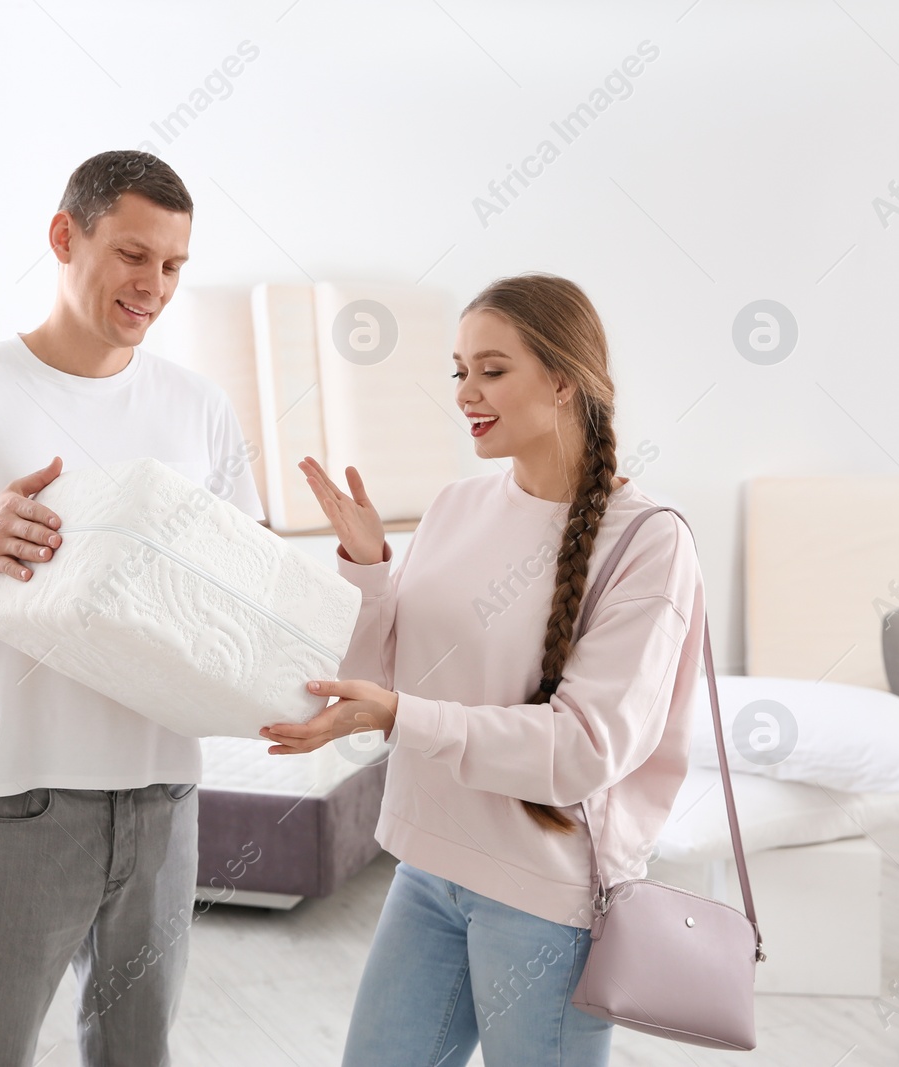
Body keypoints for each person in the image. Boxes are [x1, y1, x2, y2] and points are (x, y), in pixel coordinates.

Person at [0, 150, 263, 1067]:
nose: (152, 286)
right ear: (63, 237)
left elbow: (245, 598)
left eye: (172, 266)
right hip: (13, 803)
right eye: (132, 254)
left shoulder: (200, 411)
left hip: (162, 794)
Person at [260, 273, 705, 1067]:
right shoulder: (457, 504)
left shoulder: (650, 542)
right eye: (459, 370)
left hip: (546, 898)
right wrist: (368, 569)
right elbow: (378, 679)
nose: (467, 391)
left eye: (492, 370)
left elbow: (583, 748)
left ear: (564, 379)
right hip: (429, 866)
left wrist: (403, 715)